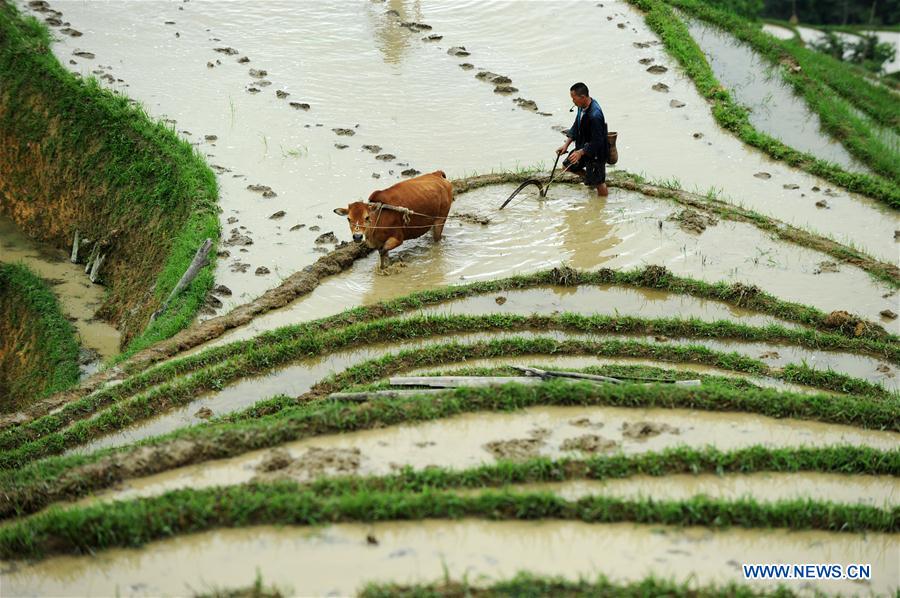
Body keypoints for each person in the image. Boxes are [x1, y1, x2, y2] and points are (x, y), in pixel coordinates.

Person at [556, 82, 609, 197]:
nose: (572, 102)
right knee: (567, 166)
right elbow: (576, 126)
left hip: (596, 152)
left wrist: (581, 152)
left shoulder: (595, 115)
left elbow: (598, 141)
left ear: (583, 97)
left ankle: (602, 204)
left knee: (600, 184)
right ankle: (590, 179)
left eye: (574, 99)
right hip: (583, 147)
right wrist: (566, 145)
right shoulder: (581, 107)